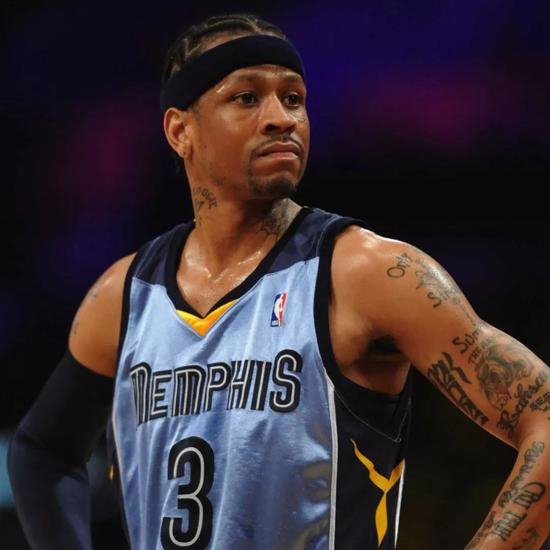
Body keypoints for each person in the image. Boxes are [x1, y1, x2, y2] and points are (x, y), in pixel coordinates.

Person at [8, 12, 550, 550]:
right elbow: (40, 451)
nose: (281, 118)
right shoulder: (124, 296)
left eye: (293, 99)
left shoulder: (364, 273)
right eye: (247, 98)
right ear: (180, 131)